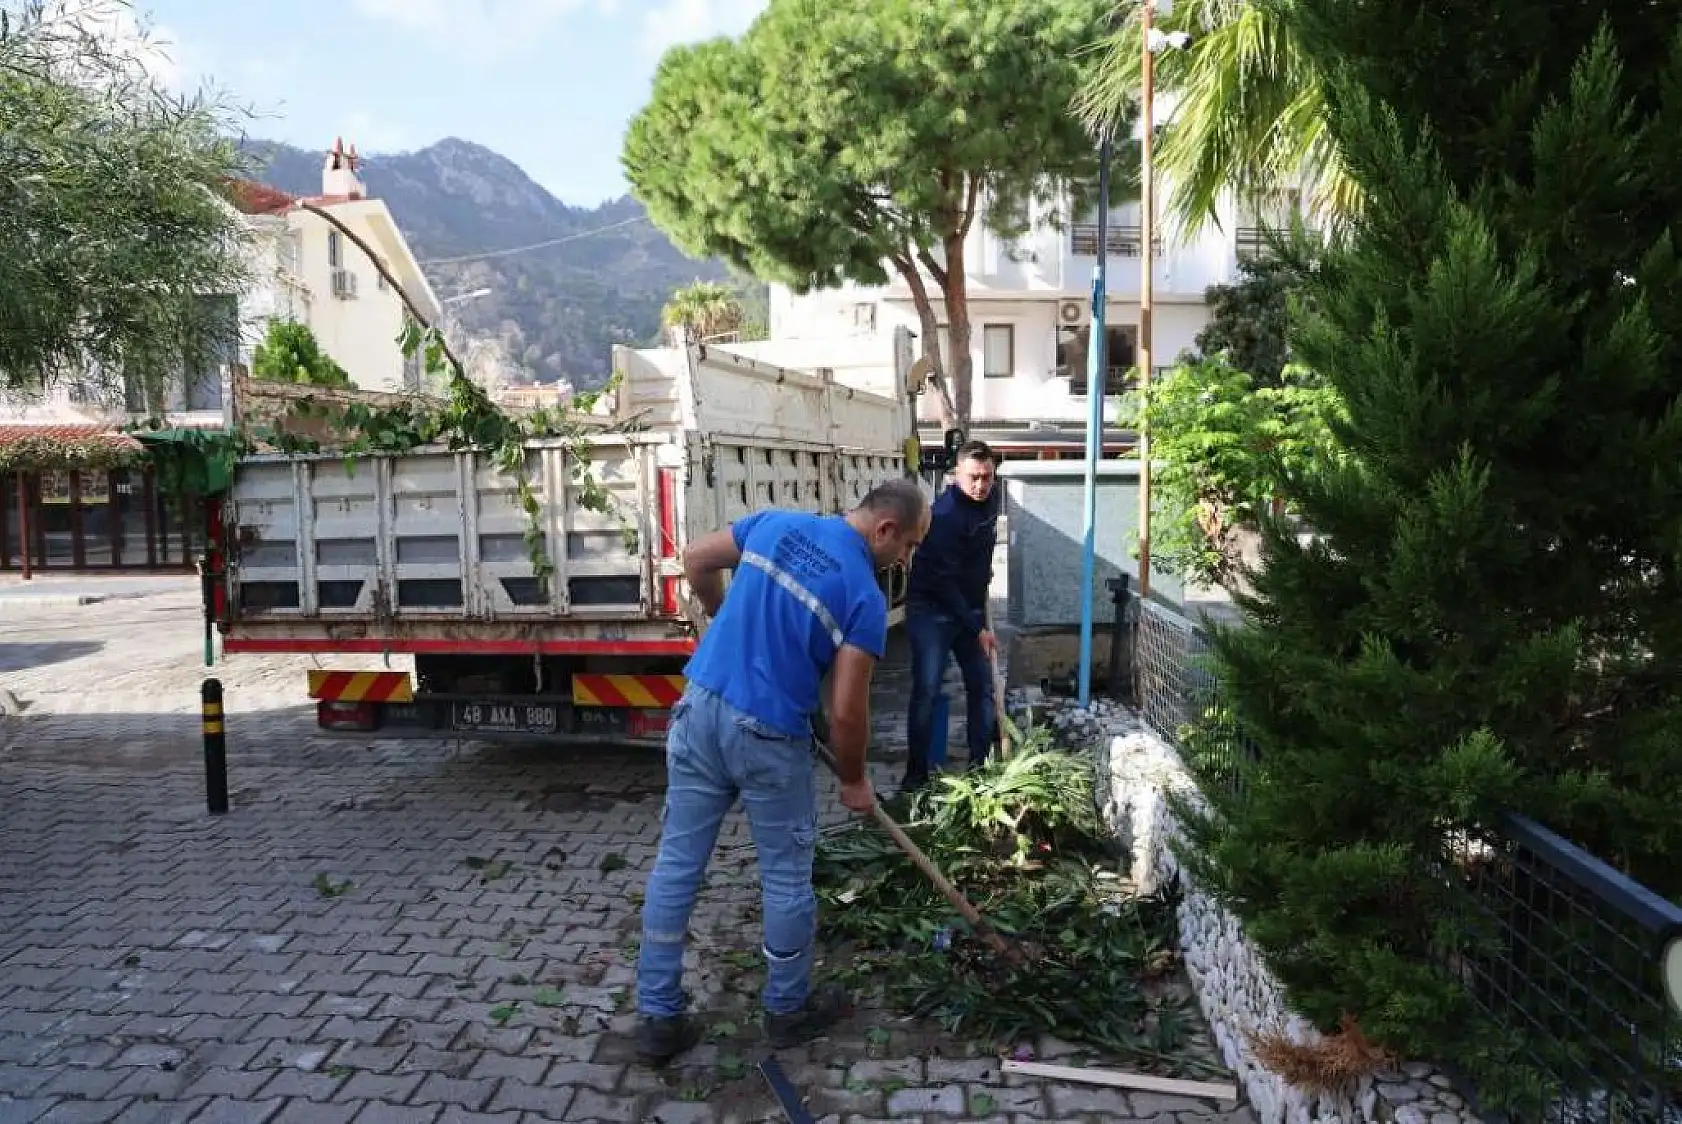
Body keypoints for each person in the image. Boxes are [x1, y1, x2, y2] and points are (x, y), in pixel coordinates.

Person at [634, 479, 930, 1066]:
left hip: (699, 710)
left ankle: (657, 1018)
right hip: (767, 737)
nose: (907, 558)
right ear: (886, 529)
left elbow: (695, 558)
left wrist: (718, 613)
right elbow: (847, 711)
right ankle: (787, 1009)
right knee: (786, 877)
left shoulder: (775, 524)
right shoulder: (864, 598)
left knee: (676, 868)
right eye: (910, 545)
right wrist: (852, 779)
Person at [901, 440, 1001, 795]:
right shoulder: (943, 516)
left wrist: (981, 594)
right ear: (956, 474)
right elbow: (943, 581)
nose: (980, 485)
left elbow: (980, 556)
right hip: (933, 609)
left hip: (969, 608)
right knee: (928, 690)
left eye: (987, 477)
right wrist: (977, 628)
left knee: (982, 686)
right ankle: (916, 776)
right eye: (973, 477)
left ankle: (980, 768)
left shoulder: (990, 502)